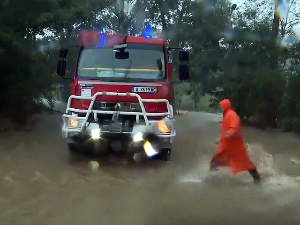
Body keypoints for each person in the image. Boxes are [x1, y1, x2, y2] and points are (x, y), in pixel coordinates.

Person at [210, 99, 262, 184]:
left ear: (225, 106)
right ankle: (211, 178)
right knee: (216, 160)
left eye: (221, 106)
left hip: (235, 146)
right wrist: (221, 139)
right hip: (227, 145)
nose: (220, 108)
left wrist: (227, 136)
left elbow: (234, 127)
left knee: (246, 163)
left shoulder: (231, 115)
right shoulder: (226, 115)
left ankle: (258, 179)